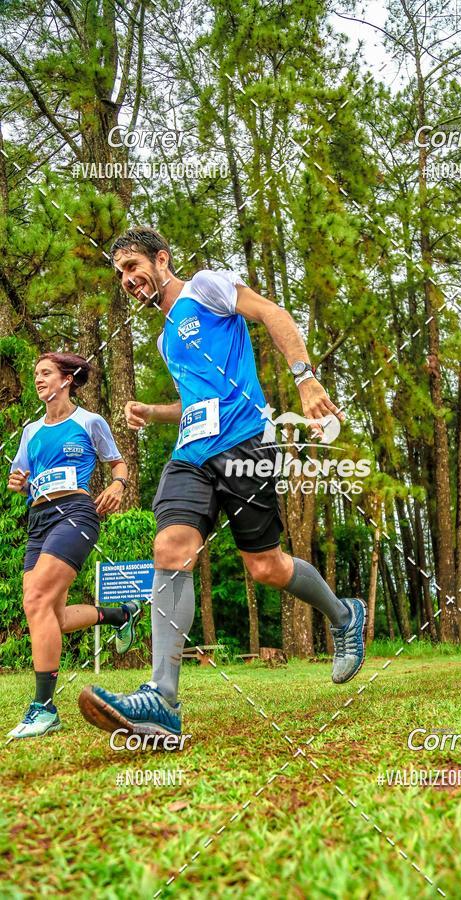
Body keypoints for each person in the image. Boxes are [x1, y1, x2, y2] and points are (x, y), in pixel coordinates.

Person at [79, 227, 367, 739]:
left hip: (244, 442)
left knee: (265, 567)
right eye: (120, 273)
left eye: (132, 267)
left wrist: (305, 378)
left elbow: (272, 313)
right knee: (170, 547)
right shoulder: (166, 338)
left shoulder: (205, 287)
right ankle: (162, 698)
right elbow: (193, 402)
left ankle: (343, 614)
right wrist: (154, 412)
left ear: (161, 259)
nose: (127, 280)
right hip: (191, 454)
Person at [7, 352, 142, 739]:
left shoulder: (89, 421)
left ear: (67, 379)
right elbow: (21, 478)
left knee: (36, 601)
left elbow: (118, 463)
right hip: (38, 520)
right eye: (36, 374)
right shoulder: (31, 431)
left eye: (46, 373)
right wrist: (18, 483)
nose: (38, 379)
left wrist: (118, 485)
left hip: (75, 513)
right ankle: (121, 615)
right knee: (53, 616)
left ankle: (44, 708)